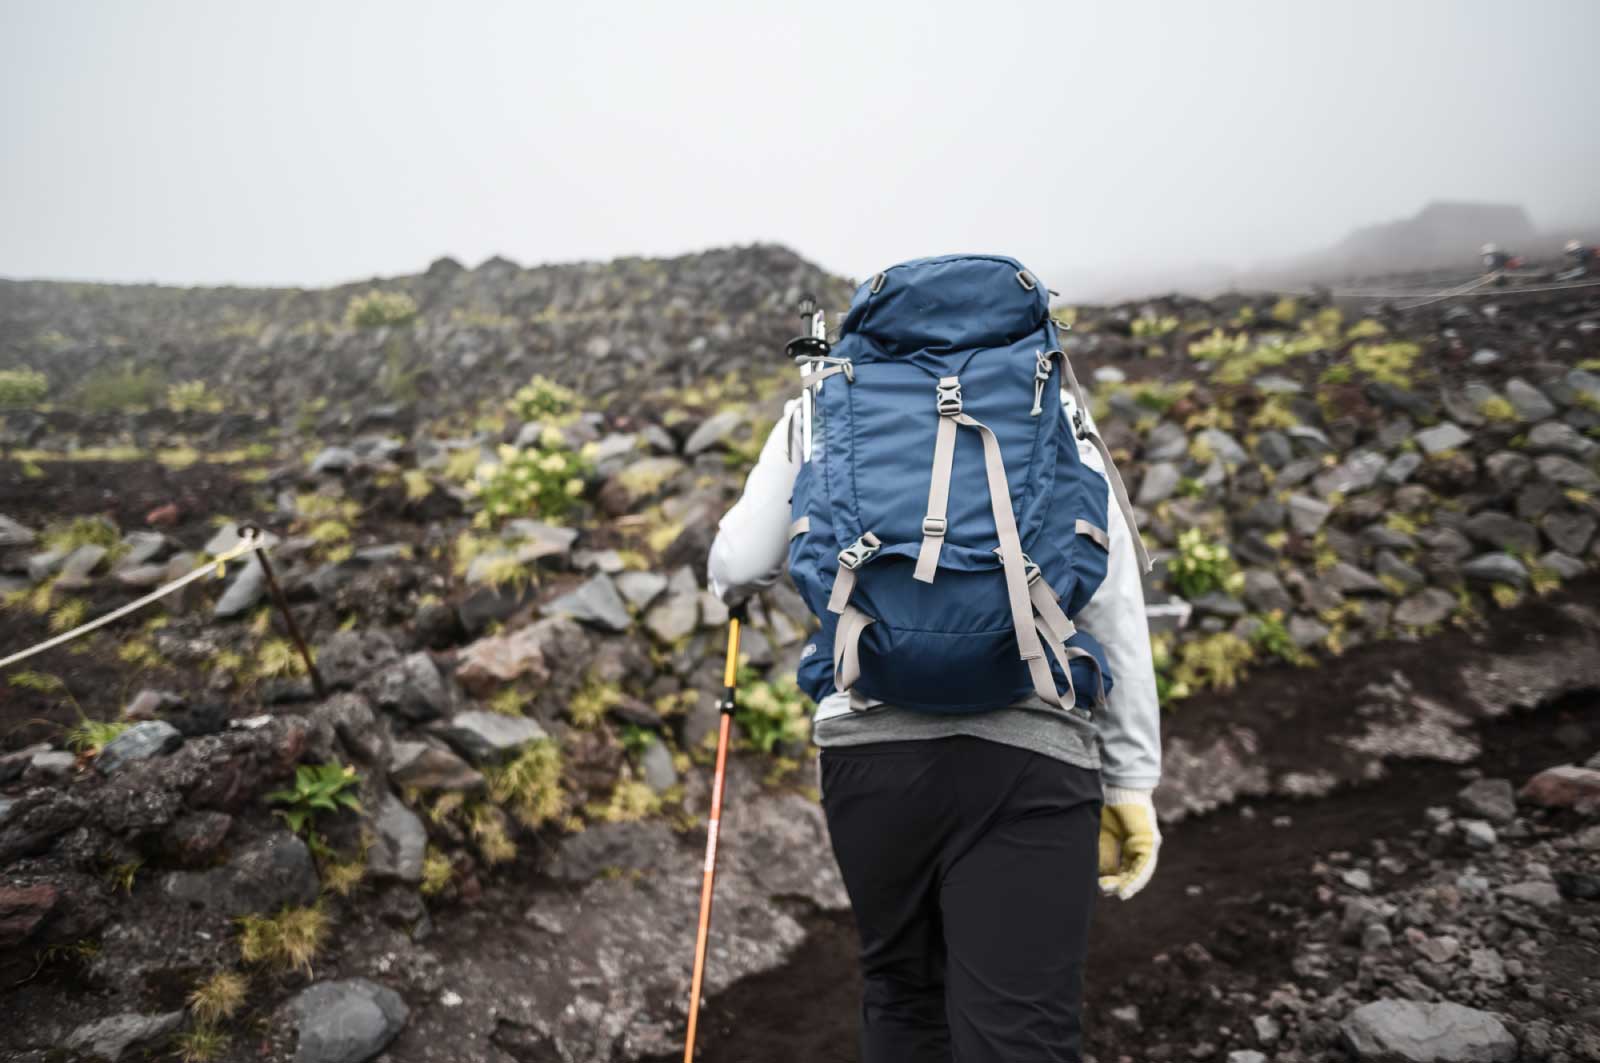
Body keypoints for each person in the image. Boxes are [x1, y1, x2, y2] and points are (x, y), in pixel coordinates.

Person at [706, 317, 1162, 1062]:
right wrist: (1132, 779)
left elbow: (744, 557)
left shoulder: (826, 401)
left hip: (871, 752)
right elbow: (1113, 597)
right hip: (1036, 753)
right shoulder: (1052, 404)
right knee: (1022, 1026)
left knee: (903, 994)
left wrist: (727, 583)